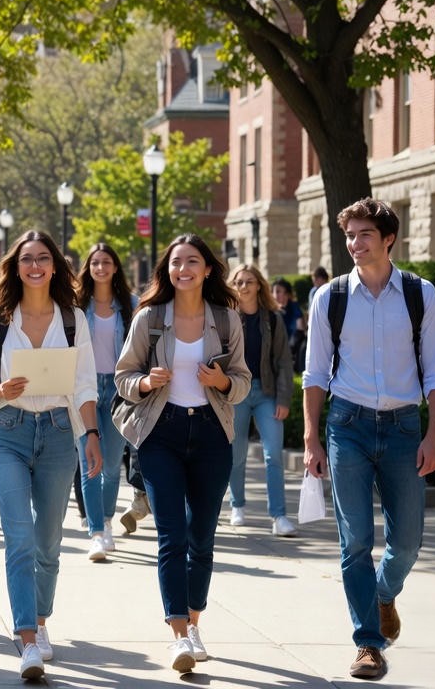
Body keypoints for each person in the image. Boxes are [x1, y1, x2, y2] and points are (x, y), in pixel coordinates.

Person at [302, 198, 435, 680]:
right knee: (354, 543)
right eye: (350, 235)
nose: (355, 243)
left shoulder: (419, 293)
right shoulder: (331, 297)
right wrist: (311, 437)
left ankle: (384, 593)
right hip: (347, 425)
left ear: (389, 239)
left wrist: (434, 434)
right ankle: (368, 643)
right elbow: (315, 374)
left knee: (407, 541)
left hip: (406, 428)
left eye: (365, 234)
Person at [0, 230, 100, 681]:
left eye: (43, 258)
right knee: (18, 537)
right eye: (27, 259)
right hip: (8, 431)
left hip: (61, 434)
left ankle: (41, 620)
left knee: (48, 542)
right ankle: (26, 639)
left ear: (55, 266)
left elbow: (83, 384)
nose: (35, 266)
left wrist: (92, 435)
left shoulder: (72, 319)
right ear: (15, 266)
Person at [114, 234, 250, 674]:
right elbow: (122, 378)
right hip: (162, 434)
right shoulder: (150, 319)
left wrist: (223, 382)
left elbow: (243, 381)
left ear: (208, 269)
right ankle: (178, 635)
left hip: (212, 435)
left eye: (193, 261)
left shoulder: (227, 320)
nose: (183, 269)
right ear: (168, 270)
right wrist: (147, 383)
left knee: (202, 539)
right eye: (176, 262)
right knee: (171, 536)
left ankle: (194, 624)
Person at [74, 242, 137, 561]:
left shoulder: (130, 305)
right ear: (89, 267)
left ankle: (108, 522)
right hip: (84, 389)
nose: (101, 267)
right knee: (90, 465)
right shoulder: (75, 304)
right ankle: (96, 532)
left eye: (107, 262)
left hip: (117, 390)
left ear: (115, 267)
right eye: (95, 262)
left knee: (112, 464)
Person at [226, 264, 296, 536]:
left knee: (273, 454)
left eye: (249, 281)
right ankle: (238, 506)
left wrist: (284, 399)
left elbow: (283, 361)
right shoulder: (228, 318)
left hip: (266, 393)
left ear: (258, 285)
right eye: (239, 282)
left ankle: (279, 517)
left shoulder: (273, 319)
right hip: (237, 393)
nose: (244, 287)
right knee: (237, 455)